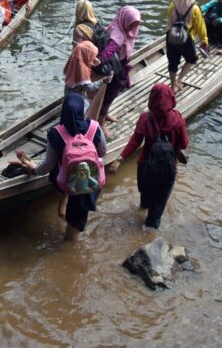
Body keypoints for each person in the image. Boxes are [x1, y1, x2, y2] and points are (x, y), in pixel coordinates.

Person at [18, 93, 106, 243]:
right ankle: (69, 243)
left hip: (63, 180)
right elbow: (102, 152)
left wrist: (33, 170)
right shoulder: (94, 127)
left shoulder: (56, 133)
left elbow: (48, 165)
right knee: (76, 222)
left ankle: (62, 211)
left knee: (68, 230)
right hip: (87, 181)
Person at [109, 83, 189, 229]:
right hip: (168, 170)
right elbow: (184, 144)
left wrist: (119, 159)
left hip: (146, 167)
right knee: (157, 208)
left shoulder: (145, 119)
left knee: (145, 200)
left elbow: (135, 142)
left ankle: (142, 211)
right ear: (171, 98)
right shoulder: (178, 120)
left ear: (151, 99)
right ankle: (148, 235)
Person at [93, 6, 142, 133]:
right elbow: (110, 49)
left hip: (120, 65)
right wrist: (101, 59)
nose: (133, 27)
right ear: (125, 20)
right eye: (132, 24)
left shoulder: (123, 28)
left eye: (136, 24)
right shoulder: (118, 34)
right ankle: (101, 122)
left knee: (112, 93)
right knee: (110, 94)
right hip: (114, 69)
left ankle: (105, 114)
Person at [164, 0, 209, 93]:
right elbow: (200, 26)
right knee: (191, 59)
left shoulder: (173, 5)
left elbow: (169, 20)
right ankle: (179, 80)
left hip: (171, 37)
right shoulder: (195, 8)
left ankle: (172, 86)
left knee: (173, 62)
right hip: (186, 39)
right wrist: (204, 40)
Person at [64, 24, 110, 100]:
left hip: (68, 93)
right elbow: (89, 87)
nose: (93, 57)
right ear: (87, 55)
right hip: (76, 98)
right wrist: (102, 81)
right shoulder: (82, 68)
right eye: (92, 55)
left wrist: (96, 61)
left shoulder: (74, 59)